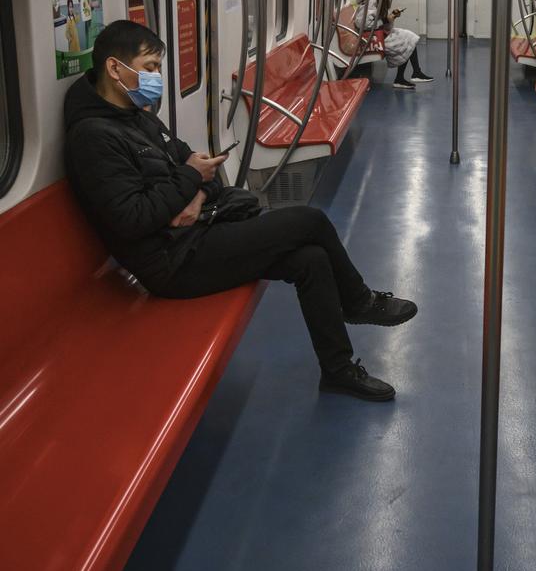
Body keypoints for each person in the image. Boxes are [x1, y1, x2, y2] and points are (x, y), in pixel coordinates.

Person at [64, 20, 416, 401]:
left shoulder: (139, 118)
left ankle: (338, 370)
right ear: (116, 69)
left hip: (196, 231)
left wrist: (193, 190)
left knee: (311, 259)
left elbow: (205, 170)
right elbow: (132, 219)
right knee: (309, 220)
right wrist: (189, 179)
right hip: (172, 263)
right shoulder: (93, 138)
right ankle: (359, 300)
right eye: (149, 68)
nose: (155, 78)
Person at [354, 0, 433, 90]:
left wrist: (391, 17)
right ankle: (403, 78)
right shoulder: (373, 1)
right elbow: (363, 24)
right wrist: (386, 20)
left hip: (378, 32)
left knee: (409, 36)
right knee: (404, 41)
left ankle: (415, 73)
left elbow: (377, 19)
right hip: (371, 38)